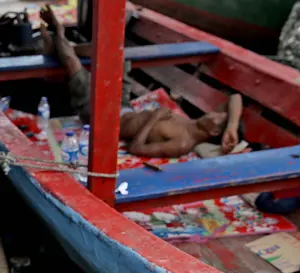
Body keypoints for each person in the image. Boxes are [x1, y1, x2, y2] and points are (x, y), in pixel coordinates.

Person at [38, 5, 243, 158]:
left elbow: (136, 149)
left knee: (73, 66)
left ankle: (59, 33)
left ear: (215, 131)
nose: (213, 112)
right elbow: (235, 97)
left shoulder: (182, 143)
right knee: (115, 54)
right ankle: (60, 47)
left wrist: (153, 118)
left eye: (217, 117)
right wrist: (232, 126)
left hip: (103, 117)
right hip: (124, 105)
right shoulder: (191, 123)